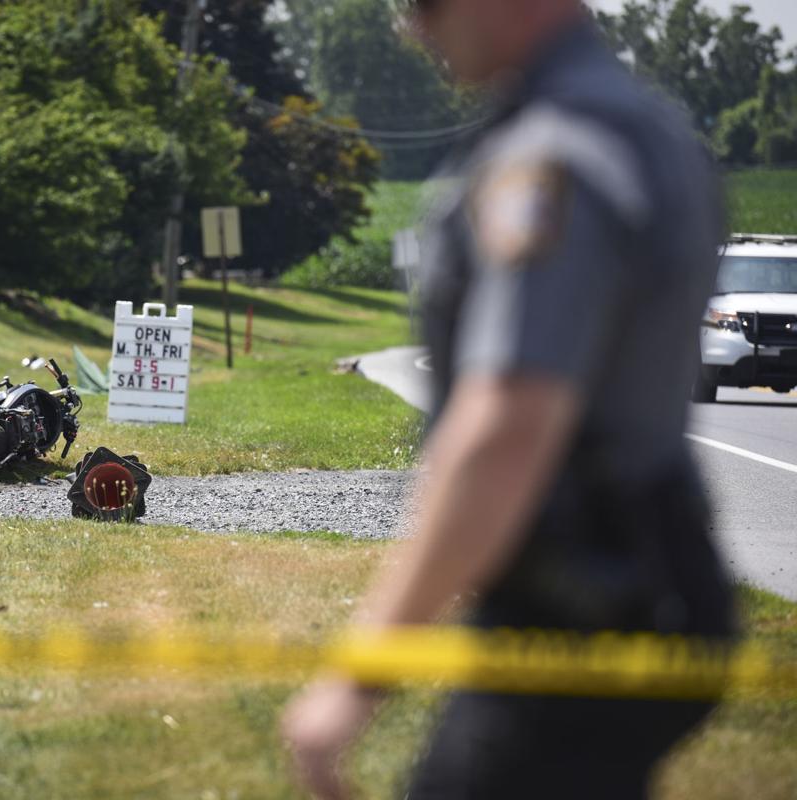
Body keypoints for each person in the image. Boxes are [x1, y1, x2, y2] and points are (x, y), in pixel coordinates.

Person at [281, 0, 737, 798]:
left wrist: (357, 680)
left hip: (585, 603)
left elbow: (508, 426)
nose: (412, 28)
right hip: (658, 575)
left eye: (428, 5)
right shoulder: (657, 132)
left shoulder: (551, 157)